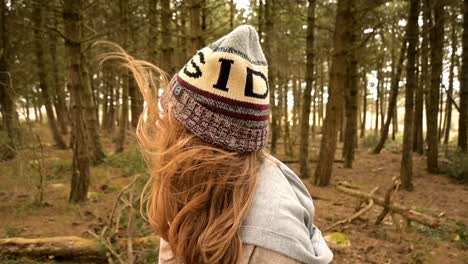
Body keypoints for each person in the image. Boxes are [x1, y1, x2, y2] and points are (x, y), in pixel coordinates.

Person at [116, 25, 333, 264]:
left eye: (170, 117)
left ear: (198, 143)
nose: (159, 126)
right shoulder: (192, 185)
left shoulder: (270, 246)